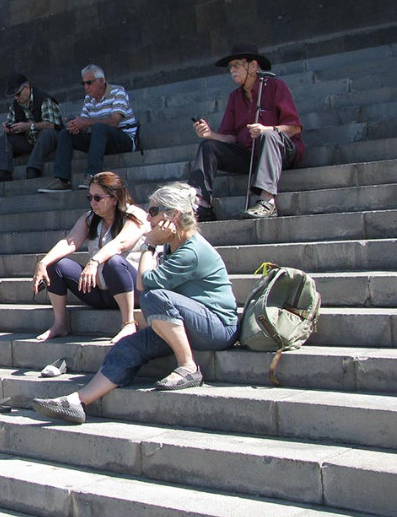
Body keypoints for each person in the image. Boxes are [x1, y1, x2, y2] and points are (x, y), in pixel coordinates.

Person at [32, 183, 238, 425]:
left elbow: (145, 284)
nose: (148, 218)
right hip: (187, 321)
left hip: (218, 326)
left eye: (153, 212)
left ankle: (188, 367)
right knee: (127, 347)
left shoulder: (191, 250)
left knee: (153, 298)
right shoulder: (174, 246)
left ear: (173, 216)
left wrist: (149, 245)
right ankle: (77, 402)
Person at [189, 43, 305, 221]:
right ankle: (202, 205)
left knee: (268, 135)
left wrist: (269, 130)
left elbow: (294, 127)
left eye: (237, 65)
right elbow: (231, 137)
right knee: (208, 146)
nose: (232, 70)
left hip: (281, 152)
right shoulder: (235, 97)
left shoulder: (276, 86)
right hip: (249, 155)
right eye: (230, 67)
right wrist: (211, 135)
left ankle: (267, 201)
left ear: (253, 65)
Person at [32, 172, 149, 342]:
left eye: (97, 197)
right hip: (101, 292)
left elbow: (121, 243)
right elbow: (70, 242)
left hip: (133, 290)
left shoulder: (134, 215)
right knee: (55, 266)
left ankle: (128, 322)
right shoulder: (90, 218)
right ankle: (60, 324)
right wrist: (43, 262)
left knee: (114, 261)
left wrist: (94, 261)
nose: (93, 202)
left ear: (115, 198)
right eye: (90, 197)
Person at [39, 64, 138, 193]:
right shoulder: (88, 99)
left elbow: (115, 121)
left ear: (101, 81)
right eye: (83, 83)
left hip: (123, 138)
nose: (86, 87)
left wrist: (85, 122)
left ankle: (92, 175)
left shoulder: (118, 92)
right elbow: (85, 125)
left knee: (99, 128)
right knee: (65, 133)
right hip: (100, 141)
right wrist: (76, 126)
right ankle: (62, 180)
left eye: (89, 83)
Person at [0, 74, 62, 182]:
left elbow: (51, 124)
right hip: (28, 141)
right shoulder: (15, 104)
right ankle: (3, 171)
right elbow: (11, 121)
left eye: (18, 94)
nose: (16, 98)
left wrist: (29, 126)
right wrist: (10, 128)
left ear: (26, 88)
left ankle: (33, 168)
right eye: (14, 95)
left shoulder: (45, 99)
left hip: (49, 140)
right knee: (4, 139)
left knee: (47, 133)